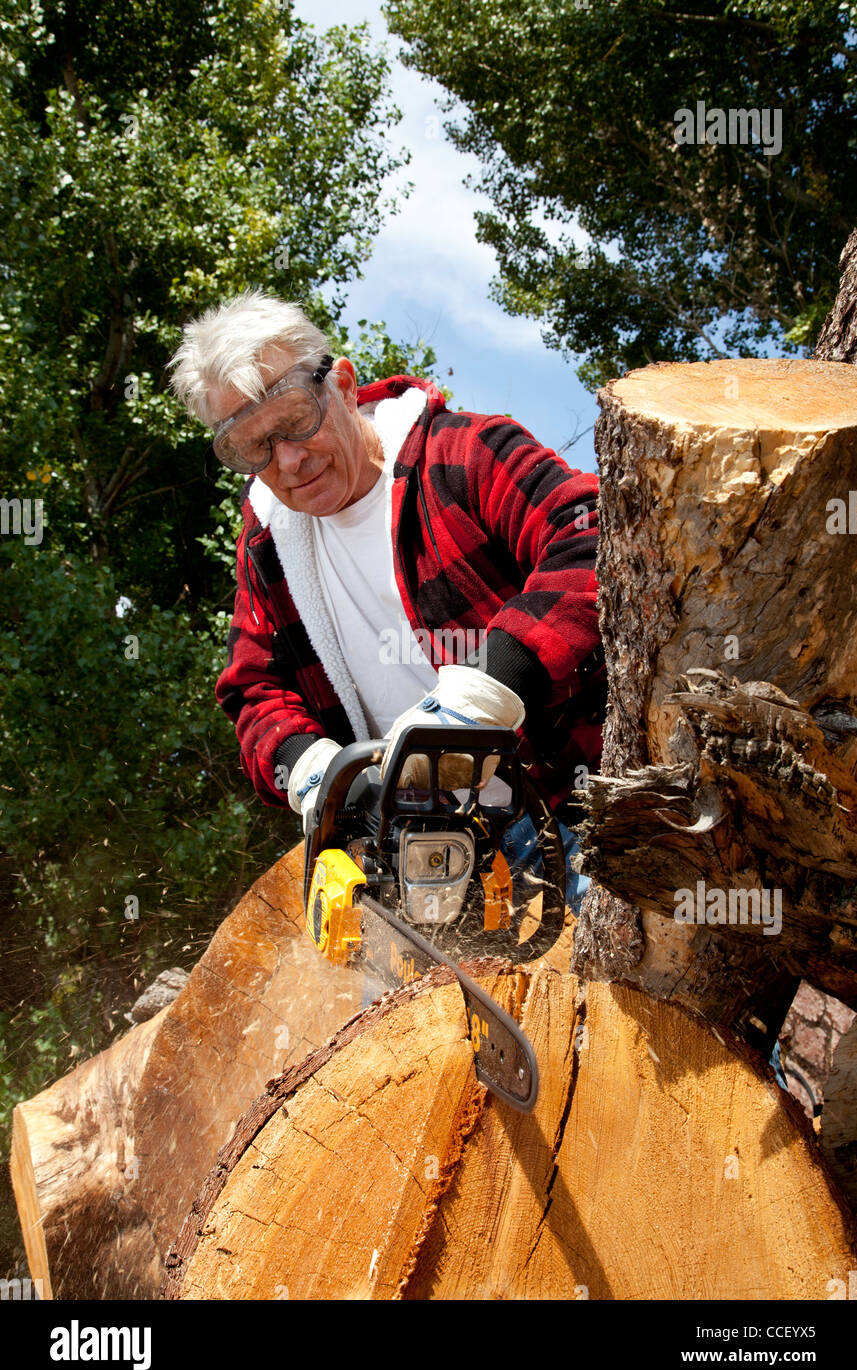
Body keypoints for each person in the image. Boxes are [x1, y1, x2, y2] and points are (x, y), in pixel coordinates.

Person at [169, 290, 607, 914]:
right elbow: (252, 690)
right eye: (253, 448)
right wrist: (322, 773)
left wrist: (486, 692)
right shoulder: (269, 545)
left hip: (568, 802)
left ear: (343, 386)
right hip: (421, 853)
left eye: (295, 421)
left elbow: (593, 535)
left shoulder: (460, 455)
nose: (287, 460)